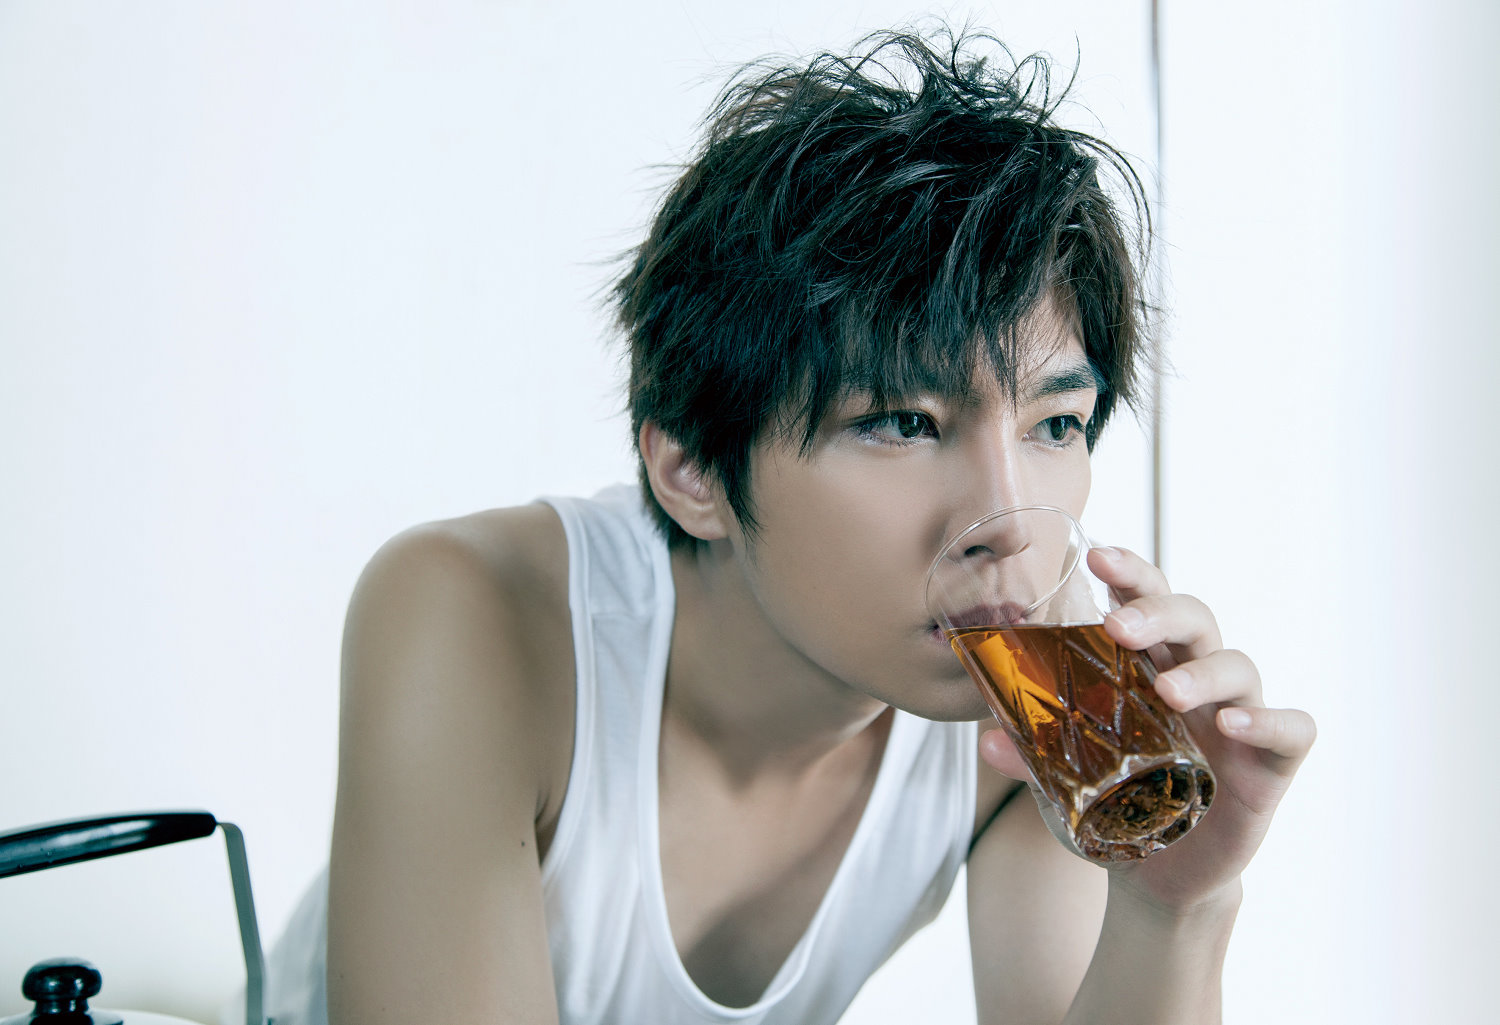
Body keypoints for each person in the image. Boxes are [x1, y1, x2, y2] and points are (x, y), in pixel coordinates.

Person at [252, 25, 1315, 1025]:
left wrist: (1174, 905)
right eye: (903, 421)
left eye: (1055, 423)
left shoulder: (1026, 725)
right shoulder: (479, 614)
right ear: (690, 469)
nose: (1009, 523)